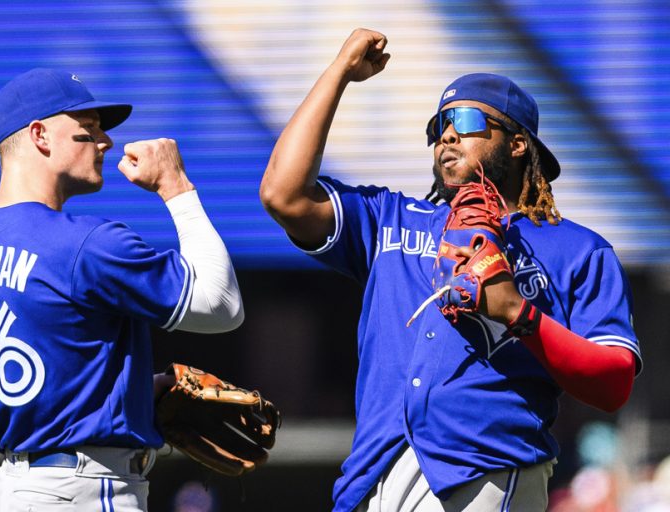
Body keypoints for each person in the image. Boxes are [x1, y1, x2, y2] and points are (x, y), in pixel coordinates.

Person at [260, 29, 641, 511]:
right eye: (439, 124)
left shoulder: (578, 248)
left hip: (485, 472)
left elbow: (614, 383)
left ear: (519, 144)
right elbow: (284, 195)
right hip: (372, 475)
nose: (447, 134)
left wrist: (518, 313)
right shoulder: (391, 218)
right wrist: (339, 73)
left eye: (464, 119)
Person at [0, 68, 244, 511]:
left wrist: (128, 390)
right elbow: (220, 304)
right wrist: (175, 186)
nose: (106, 142)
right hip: (82, 489)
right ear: (40, 135)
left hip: (14, 490)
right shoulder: (85, 243)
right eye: (88, 128)